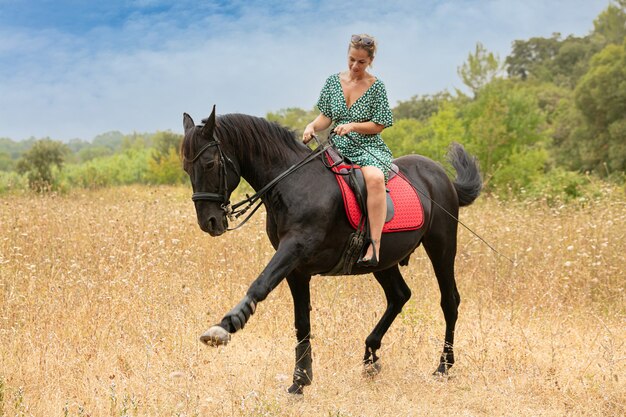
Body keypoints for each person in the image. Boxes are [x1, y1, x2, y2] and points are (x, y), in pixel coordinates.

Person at [303, 34, 394, 267]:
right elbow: (326, 117)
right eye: (352, 60)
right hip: (335, 145)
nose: (355, 66)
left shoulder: (377, 87)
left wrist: (353, 126)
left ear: (371, 61)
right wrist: (312, 126)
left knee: (374, 178)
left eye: (361, 62)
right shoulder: (333, 82)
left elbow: (380, 124)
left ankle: (374, 246)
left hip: (367, 146)